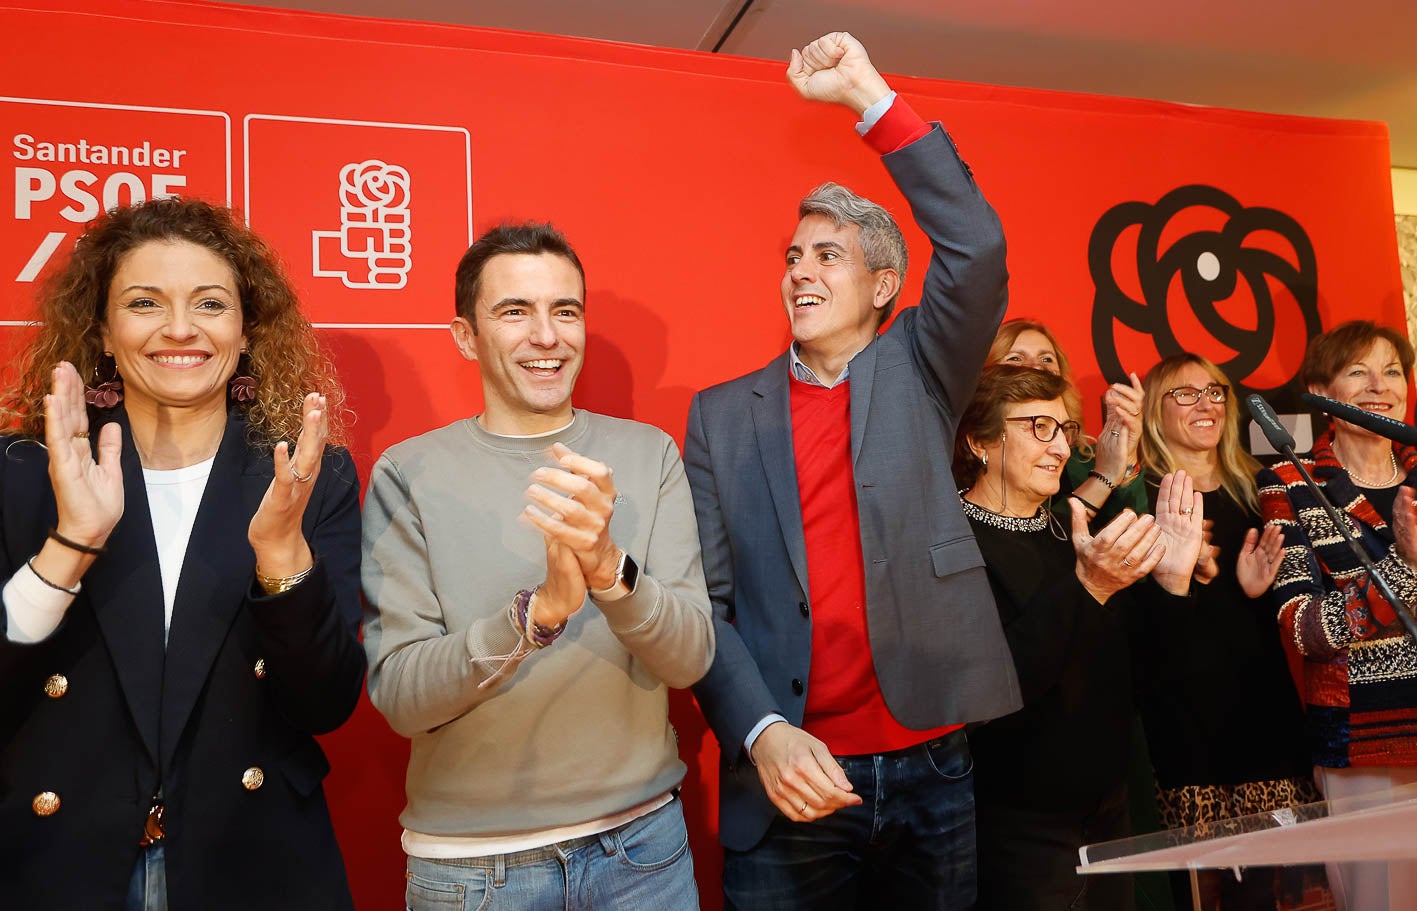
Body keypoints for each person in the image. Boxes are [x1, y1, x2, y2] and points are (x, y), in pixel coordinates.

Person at [685, 31, 1020, 910]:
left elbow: (976, 248)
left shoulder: (921, 364)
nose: (798, 270)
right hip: (791, 775)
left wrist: (868, 96)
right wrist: (759, 733)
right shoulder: (722, 417)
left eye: (825, 255)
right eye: (791, 256)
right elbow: (704, 604)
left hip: (932, 759)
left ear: (882, 287)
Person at [0, 197, 363, 910]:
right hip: (59, 862)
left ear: (246, 329)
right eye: (143, 302)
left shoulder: (306, 473)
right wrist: (70, 544)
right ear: (102, 329)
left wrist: (282, 558)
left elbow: (325, 702)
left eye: (209, 303)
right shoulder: (24, 469)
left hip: (252, 861)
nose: (178, 328)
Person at [361, 222, 714, 911]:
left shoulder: (648, 454)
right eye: (515, 311)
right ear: (466, 335)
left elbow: (692, 656)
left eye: (565, 310)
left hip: (642, 849)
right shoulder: (409, 473)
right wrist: (536, 615)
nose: (546, 336)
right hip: (474, 871)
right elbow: (401, 697)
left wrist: (609, 570)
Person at [953, 364, 1201, 910]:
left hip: (1110, 816)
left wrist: (1172, 581)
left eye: (1065, 429)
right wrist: (1087, 586)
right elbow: (994, 688)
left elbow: (1147, 677)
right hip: (1019, 830)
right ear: (979, 440)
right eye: (1038, 426)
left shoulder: (1072, 531)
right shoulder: (953, 544)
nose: (1061, 447)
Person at [1135, 353, 1324, 910]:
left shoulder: (1262, 491)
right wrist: (1184, 577)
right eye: (1185, 393)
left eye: (1215, 392)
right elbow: (1135, 627)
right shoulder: (1144, 496)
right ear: (1153, 411)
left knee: (1271, 892)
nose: (1206, 403)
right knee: (1199, 892)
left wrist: (1255, 591)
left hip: (1261, 711)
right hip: (1184, 721)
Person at [1259, 320, 1417, 911]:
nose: (1379, 386)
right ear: (1320, 391)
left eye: (1393, 371)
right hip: (1367, 745)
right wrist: (1404, 566)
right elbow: (1303, 628)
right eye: (1358, 371)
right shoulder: (1289, 483)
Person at [987, 318, 1148, 525]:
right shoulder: (976, 457)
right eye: (1016, 358)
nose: (1036, 368)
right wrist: (1101, 479)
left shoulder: (1086, 458)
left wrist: (1126, 459)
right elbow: (1025, 530)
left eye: (1046, 360)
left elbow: (1135, 537)